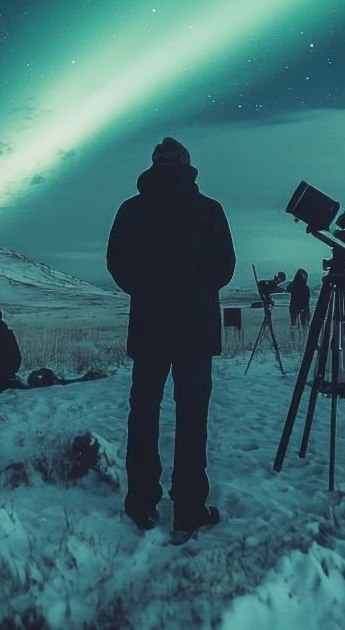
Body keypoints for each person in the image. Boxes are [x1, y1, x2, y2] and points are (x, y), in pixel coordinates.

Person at [107, 136, 236, 540]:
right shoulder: (208, 210)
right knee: (192, 417)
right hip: (196, 330)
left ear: (154, 166)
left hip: (149, 328)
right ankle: (188, 509)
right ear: (188, 166)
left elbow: (117, 264)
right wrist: (197, 291)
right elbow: (225, 267)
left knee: (143, 414)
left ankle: (140, 504)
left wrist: (147, 293)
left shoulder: (132, 210)